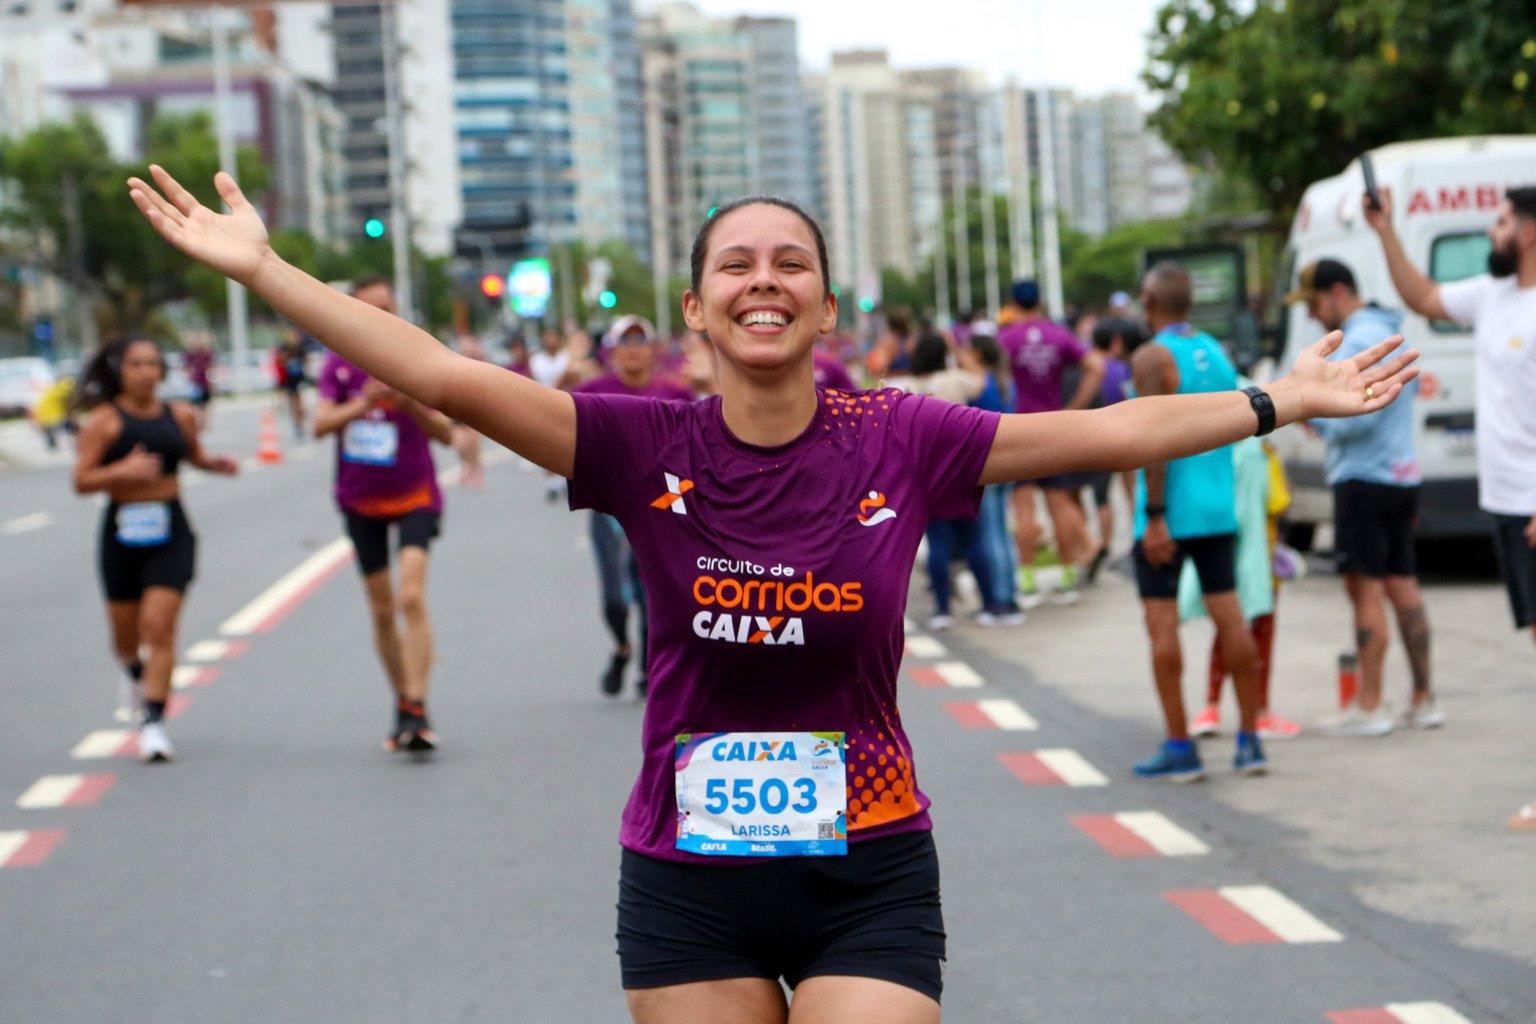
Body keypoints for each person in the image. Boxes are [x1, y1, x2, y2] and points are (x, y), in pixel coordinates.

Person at [128, 166, 1414, 1021]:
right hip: (689, 873)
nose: (763, 278)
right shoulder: (638, 444)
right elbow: (442, 374)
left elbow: (1108, 432)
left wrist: (1279, 400)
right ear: (696, 308)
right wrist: (261, 272)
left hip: (871, 863)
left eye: (789, 262)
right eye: (736, 263)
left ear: (824, 302)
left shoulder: (901, 436)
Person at [1365, 184, 1535, 828]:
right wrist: (1386, 232)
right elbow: (1422, 296)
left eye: (1497, 223)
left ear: (1527, 232)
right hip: (1506, 499)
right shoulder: (1492, 297)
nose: (1489, 234)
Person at [1129, 262, 1269, 782]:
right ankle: (1250, 740)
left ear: (1149, 302)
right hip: (1216, 506)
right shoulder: (1216, 353)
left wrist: (1156, 516)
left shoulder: (1151, 357)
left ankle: (1180, 746)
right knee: (1231, 618)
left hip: (1170, 511)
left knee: (1163, 626)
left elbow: (1152, 439)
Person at [70, 334, 239, 762]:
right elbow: (82, 481)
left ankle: (154, 723)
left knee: (159, 628)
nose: (146, 372)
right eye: (135, 365)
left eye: (152, 363)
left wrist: (214, 465)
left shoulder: (180, 415)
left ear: (162, 370)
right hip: (122, 534)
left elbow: (193, 455)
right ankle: (133, 672)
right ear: (119, 372)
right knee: (126, 640)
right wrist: (121, 471)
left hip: (171, 530)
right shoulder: (105, 422)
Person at [1288, 258, 1437, 737]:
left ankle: (1370, 706)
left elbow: (1360, 413)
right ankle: (1422, 698)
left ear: (1337, 291)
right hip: (1399, 474)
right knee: (1402, 586)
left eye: (1313, 303)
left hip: (1363, 477)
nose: (1312, 315)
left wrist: (1314, 415)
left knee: (1365, 591)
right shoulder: (1391, 328)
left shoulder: (1356, 340)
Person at [313, 278, 455, 754]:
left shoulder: (416, 360)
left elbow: (448, 434)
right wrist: (364, 403)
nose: (380, 317)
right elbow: (319, 424)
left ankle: (417, 705)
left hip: (415, 494)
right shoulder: (338, 365)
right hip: (360, 499)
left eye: (387, 308)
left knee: (410, 595)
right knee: (380, 608)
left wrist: (410, 401)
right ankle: (402, 700)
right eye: (369, 309)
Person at [561, 315, 694, 699]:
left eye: (641, 341)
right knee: (615, 599)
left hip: (660, 512)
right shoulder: (593, 390)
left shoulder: (676, 392)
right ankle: (621, 647)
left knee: (652, 594)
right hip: (609, 513)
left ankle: (646, 667)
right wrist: (564, 377)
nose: (634, 349)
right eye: (626, 342)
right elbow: (550, 417)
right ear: (612, 351)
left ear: (653, 350)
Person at [998, 280, 1105, 607]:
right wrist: (1074, 407)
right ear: (1041, 301)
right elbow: (1096, 366)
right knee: (1061, 504)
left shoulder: (1006, 338)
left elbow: (993, 377)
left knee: (1023, 506)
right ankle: (1069, 579)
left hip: (1018, 430)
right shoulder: (1058, 335)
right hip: (1054, 427)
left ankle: (1027, 582)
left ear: (1013, 303)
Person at [901, 331, 996, 630]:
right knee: (974, 542)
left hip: (927, 475)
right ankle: (989, 605)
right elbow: (982, 378)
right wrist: (958, 347)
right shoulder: (955, 380)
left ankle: (941, 609)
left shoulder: (909, 387)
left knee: (937, 543)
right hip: (962, 470)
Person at [1084, 317, 1141, 581]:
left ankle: (1104, 546)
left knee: (1102, 499)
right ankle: (1136, 539)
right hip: (1129, 435)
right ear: (1115, 341)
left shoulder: (1091, 368)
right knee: (1132, 492)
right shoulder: (1124, 368)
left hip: (1099, 440)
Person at [275, 327, 310, 438]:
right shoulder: (285, 348)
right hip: (289, 379)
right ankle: (297, 422)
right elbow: (280, 360)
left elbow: (306, 360)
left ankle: (300, 419)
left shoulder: (300, 348)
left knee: (299, 400)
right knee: (293, 401)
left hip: (299, 378)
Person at [182, 331, 216, 431]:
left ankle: (203, 424)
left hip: (204, 383)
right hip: (195, 385)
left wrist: (212, 383)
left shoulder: (207, 354)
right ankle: (198, 423)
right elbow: (186, 368)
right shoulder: (190, 354)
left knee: (204, 405)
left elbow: (212, 368)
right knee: (195, 405)